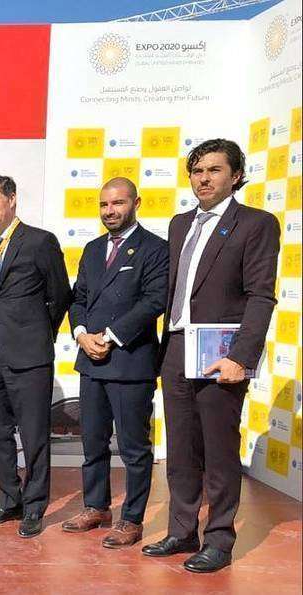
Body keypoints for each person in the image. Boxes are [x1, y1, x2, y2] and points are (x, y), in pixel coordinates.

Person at [142, 139, 280, 573]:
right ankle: (182, 530)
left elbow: (260, 296)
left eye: (214, 170)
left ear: (236, 175)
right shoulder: (180, 223)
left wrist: (242, 356)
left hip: (221, 351)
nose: (203, 179)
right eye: (197, 171)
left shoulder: (256, 224)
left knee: (219, 450)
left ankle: (219, 537)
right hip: (178, 346)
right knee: (180, 448)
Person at [63, 177, 168, 548]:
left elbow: (154, 301)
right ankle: (96, 506)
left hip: (129, 361)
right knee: (92, 441)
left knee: (134, 446)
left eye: (118, 203)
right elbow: (79, 299)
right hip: (91, 360)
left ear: (136, 203)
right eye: (105, 205)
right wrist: (81, 334)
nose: (110, 211)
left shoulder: (155, 249)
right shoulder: (92, 249)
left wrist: (108, 336)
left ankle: (132, 518)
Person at [0, 173, 72, 538]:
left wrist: (38, 333)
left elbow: (60, 295)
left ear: (11, 199)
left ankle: (34, 506)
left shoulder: (40, 242)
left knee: (34, 436)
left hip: (29, 355)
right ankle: (9, 498)